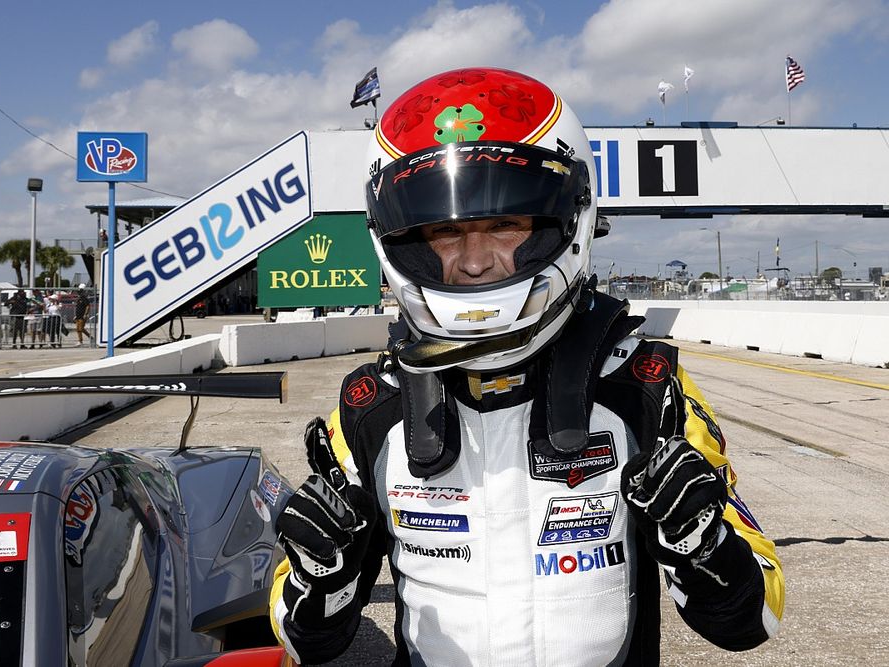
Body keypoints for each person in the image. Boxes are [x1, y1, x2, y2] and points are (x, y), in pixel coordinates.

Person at [269, 68, 784, 666]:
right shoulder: (370, 406)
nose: (475, 261)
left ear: (568, 220)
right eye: (444, 230)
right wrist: (319, 577)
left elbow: (755, 619)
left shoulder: (645, 388)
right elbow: (306, 639)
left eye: (504, 224)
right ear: (401, 238)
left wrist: (704, 547)